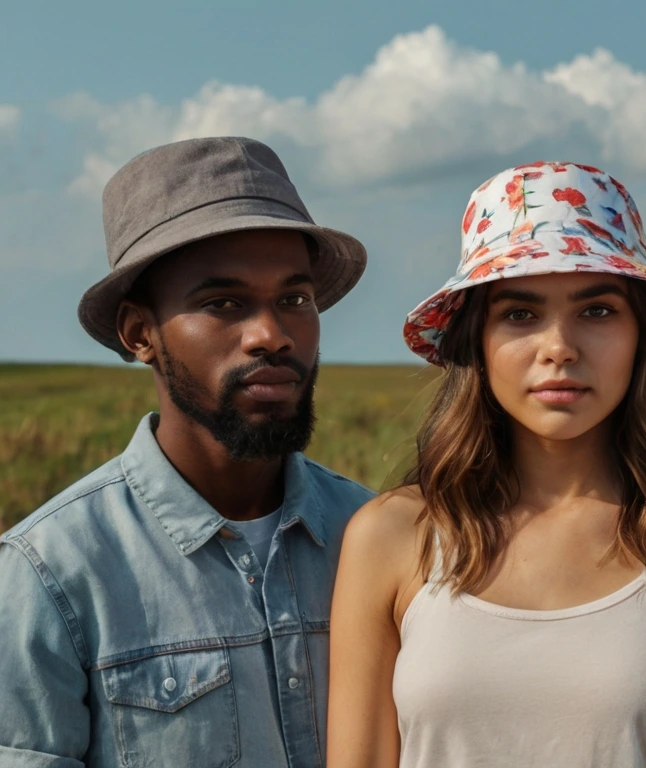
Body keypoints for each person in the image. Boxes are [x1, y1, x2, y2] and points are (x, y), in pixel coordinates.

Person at [327, 161, 646, 767]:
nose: (560, 348)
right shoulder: (391, 537)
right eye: (520, 314)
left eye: (597, 311)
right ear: (478, 341)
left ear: (642, 335)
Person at [0, 137, 373, 767]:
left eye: (295, 299)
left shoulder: (374, 535)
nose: (273, 335)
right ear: (139, 333)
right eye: (223, 303)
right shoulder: (52, 573)